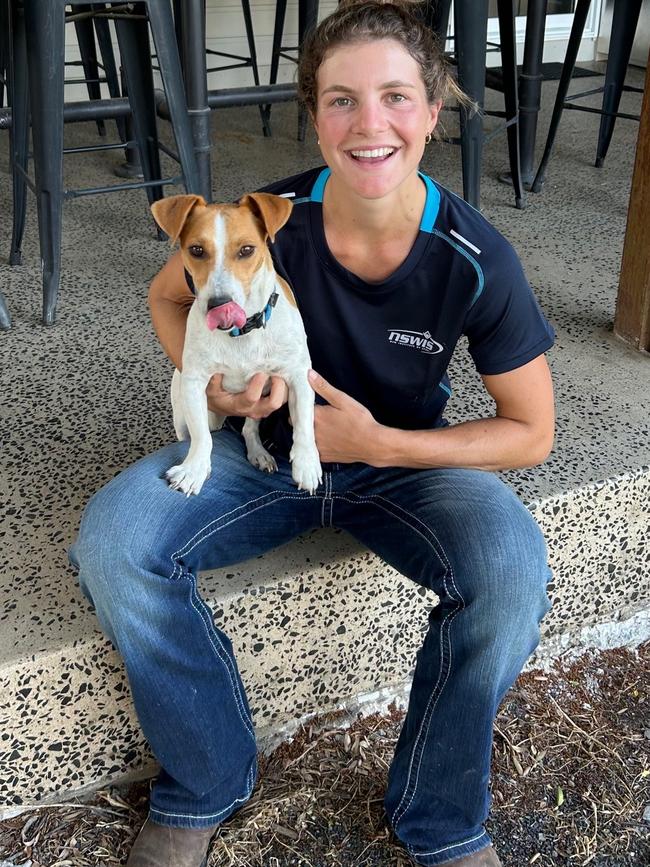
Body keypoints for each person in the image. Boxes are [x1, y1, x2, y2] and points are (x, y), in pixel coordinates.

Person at [70, 1, 556, 864]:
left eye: (397, 97)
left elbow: (529, 433)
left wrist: (383, 445)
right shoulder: (264, 218)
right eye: (342, 100)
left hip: (401, 465)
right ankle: (207, 780)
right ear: (314, 113)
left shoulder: (475, 254)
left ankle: (441, 816)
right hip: (257, 458)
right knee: (116, 540)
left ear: (434, 112)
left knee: (513, 565)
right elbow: (167, 295)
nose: (370, 125)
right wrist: (221, 387)